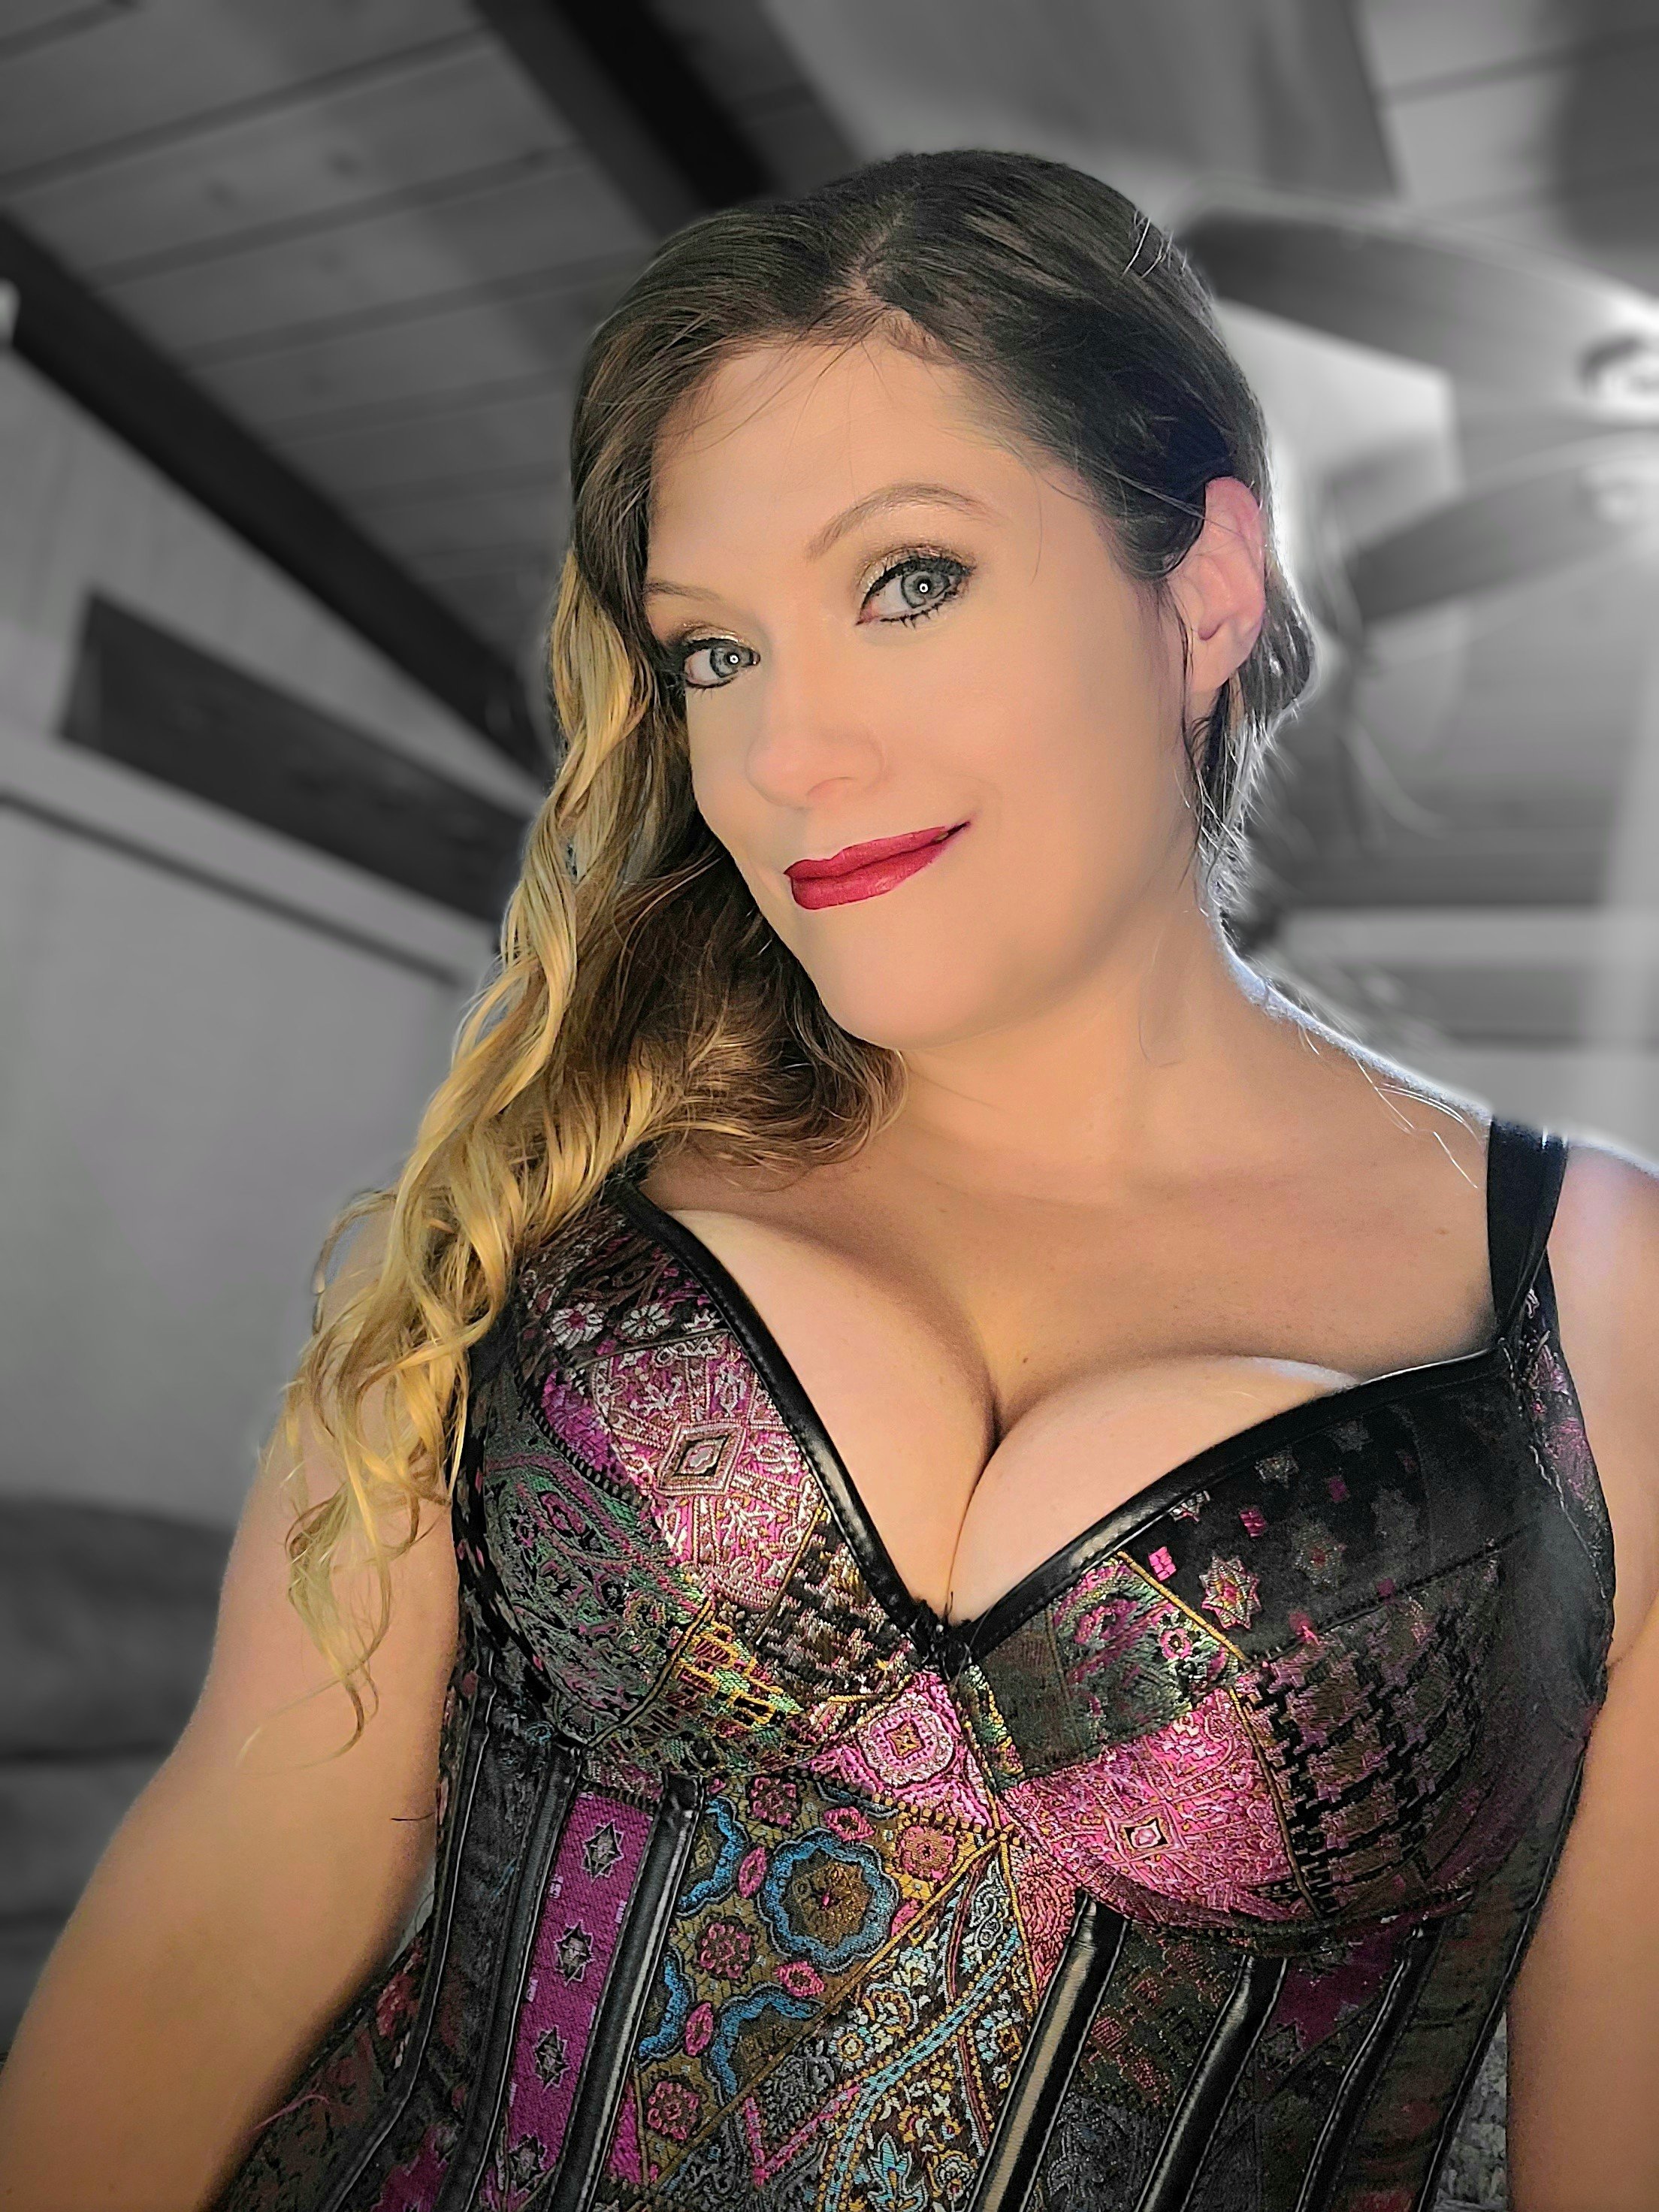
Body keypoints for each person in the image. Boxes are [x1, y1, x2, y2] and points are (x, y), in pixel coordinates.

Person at [1, 148, 1654, 2212]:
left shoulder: (1608, 1293)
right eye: (715, 654)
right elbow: (223, 1915)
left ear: (1205, 592)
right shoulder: (558, 1179)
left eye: (910, 581)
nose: (786, 755)